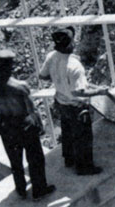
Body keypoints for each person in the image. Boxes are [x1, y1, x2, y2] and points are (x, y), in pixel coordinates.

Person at [0, 50, 55, 200]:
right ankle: (39, 190)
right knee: (35, 159)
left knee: (15, 161)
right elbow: (31, 110)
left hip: (6, 126)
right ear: (11, 65)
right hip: (24, 125)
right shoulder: (20, 86)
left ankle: (21, 190)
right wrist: (40, 126)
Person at [39, 27, 108, 175]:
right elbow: (78, 92)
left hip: (61, 103)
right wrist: (100, 91)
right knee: (82, 137)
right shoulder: (75, 66)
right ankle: (84, 167)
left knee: (68, 132)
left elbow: (42, 76)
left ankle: (69, 159)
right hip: (76, 106)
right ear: (70, 43)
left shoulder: (51, 56)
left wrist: (59, 79)